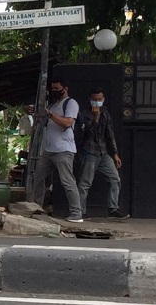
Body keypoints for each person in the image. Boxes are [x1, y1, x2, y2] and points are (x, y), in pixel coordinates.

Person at [31, 78, 83, 223]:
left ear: (65, 88)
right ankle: (36, 208)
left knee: (67, 181)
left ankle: (76, 213)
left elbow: (67, 123)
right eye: (52, 89)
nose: (54, 91)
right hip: (49, 149)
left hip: (64, 149)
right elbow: (44, 123)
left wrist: (50, 114)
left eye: (56, 88)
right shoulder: (53, 105)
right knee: (38, 178)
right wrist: (36, 114)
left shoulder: (70, 103)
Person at [77, 88, 128, 219]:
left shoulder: (106, 114)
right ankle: (80, 211)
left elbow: (109, 134)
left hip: (103, 152)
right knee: (85, 183)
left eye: (100, 99)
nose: (97, 102)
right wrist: (95, 117)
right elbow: (88, 132)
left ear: (103, 99)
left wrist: (115, 154)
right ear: (90, 100)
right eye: (95, 99)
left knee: (115, 179)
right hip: (89, 151)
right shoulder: (85, 114)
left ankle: (113, 208)